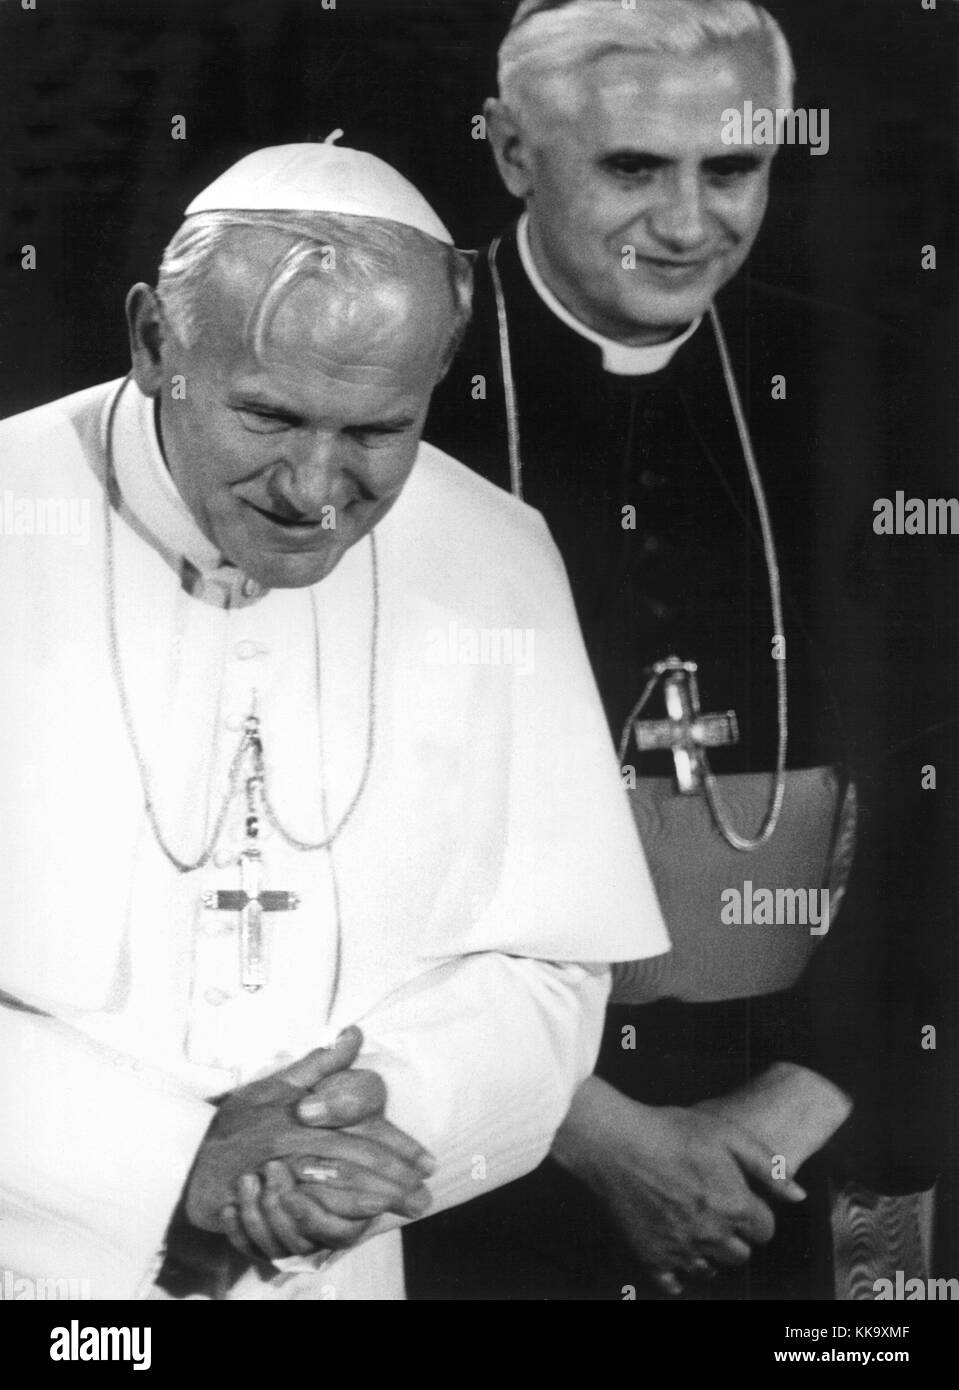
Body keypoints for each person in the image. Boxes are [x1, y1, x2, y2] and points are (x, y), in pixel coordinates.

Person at [0, 138, 674, 1301]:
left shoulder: (492, 554)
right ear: (156, 341)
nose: (315, 491)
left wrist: (374, 1116)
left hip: (339, 1266)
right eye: (267, 416)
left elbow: (553, 969)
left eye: (375, 433)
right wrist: (166, 1163)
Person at [406, 0, 949, 1300]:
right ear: (511, 151)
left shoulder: (869, 383)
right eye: (633, 167)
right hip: (474, 1122)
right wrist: (594, 1128)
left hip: (811, 1121)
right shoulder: (395, 383)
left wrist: (801, 1095)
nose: (689, 220)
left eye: (733, 168)